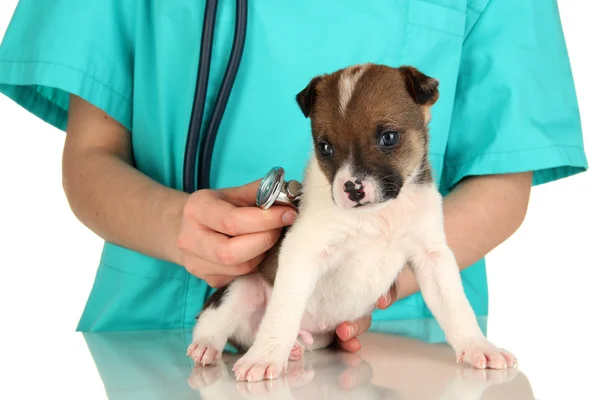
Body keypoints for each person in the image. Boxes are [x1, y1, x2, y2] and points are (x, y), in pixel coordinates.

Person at [0, 0, 587, 353]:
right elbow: (90, 156)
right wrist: (174, 224)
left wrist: (376, 282)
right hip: (154, 335)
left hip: (400, 347)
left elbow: (505, 180)